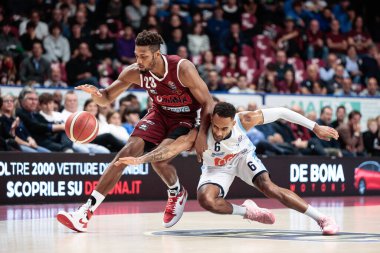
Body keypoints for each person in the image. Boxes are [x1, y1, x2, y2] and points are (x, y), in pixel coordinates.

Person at [57, 30, 214, 232]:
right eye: (136, 55)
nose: (138, 60)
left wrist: (201, 135)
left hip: (185, 119)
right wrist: (95, 93)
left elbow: (208, 102)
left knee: (158, 158)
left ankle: (176, 192)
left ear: (157, 54)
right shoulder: (134, 71)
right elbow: (106, 98)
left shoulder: (182, 68)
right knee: (125, 154)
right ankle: (85, 212)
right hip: (158, 115)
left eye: (143, 56)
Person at [116, 102, 340, 235]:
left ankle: (321, 219)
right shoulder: (199, 135)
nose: (219, 132)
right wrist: (142, 159)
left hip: (242, 158)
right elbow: (170, 149)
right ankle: (249, 212)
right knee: (206, 200)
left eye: (224, 128)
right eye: (215, 127)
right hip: (216, 168)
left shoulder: (246, 119)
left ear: (234, 122)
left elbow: (282, 112)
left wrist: (315, 127)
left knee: (269, 188)